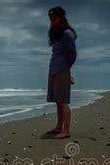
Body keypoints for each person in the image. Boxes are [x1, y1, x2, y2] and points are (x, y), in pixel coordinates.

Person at [45, 6, 77, 139]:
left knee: (63, 101)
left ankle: (66, 130)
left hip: (62, 70)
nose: (53, 22)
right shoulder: (57, 35)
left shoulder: (67, 34)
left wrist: (66, 71)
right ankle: (59, 127)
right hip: (54, 70)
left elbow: (72, 54)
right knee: (58, 101)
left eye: (55, 19)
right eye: (51, 20)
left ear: (62, 19)